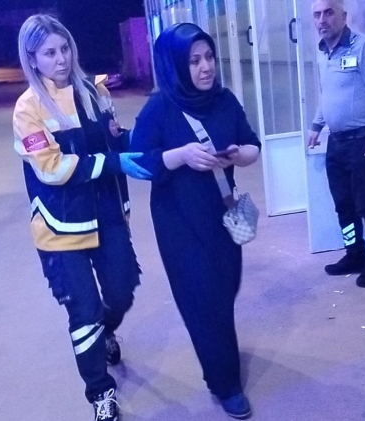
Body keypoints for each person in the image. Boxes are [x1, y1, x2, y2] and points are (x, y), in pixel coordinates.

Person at [13, 14, 151, 421]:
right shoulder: (27, 109)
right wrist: (114, 163)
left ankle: (104, 331)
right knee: (84, 312)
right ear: (32, 59)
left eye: (65, 49)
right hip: (60, 228)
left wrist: (146, 141)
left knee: (122, 292)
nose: (61, 59)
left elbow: (115, 138)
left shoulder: (95, 92)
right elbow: (52, 169)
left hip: (107, 215)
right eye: (49, 53)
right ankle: (100, 393)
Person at [130, 23, 261, 420]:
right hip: (179, 222)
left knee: (225, 289)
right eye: (194, 61)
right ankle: (225, 384)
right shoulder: (160, 107)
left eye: (209, 58)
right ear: (176, 66)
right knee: (203, 300)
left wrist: (238, 155)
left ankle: (220, 357)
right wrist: (181, 155)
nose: (206, 67)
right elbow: (137, 162)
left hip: (222, 215)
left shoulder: (224, 100)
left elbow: (252, 145)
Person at [307, 0, 365, 288]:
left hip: (363, 143)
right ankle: (355, 253)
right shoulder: (323, 52)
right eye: (317, 15)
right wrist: (316, 125)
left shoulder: (363, 46)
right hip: (336, 143)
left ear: (343, 16)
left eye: (328, 12)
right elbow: (328, 96)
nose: (322, 20)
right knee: (343, 204)